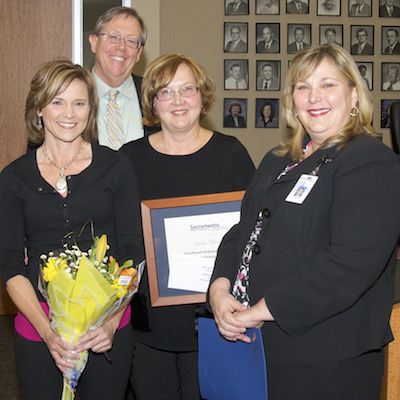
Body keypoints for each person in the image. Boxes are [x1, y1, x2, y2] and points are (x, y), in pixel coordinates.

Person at [208, 44, 400, 400]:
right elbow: (243, 231)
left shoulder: (370, 162)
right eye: (303, 86)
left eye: (328, 84)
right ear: (291, 100)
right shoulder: (279, 159)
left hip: (328, 358)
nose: (315, 97)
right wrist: (219, 290)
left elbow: (349, 266)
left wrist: (258, 311)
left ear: (354, 94)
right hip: (262, 348)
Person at [0, 58, 143, 399]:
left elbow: (133, 254)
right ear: (39, 109)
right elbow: (9, 265)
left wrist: (109, 321)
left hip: (107, 328)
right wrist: (49, 333)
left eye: (79, 103)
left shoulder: (117, 167)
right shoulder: (14, 177)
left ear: (90, 110)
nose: (69, 113)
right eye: (57, 102)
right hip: (39, 326)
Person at [120, 53, 255, 400]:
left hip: (213, 320)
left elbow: (253, 233)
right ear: (152, 102)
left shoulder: (231, 154)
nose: (178, 101)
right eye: (166, 92)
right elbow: (119, 237)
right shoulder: (128, 159)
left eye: (187, 90)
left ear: (202, 96)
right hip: (148, 327)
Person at [88, 6, 148, 150]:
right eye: (113, 37)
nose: (121, 47)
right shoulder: (69, 96)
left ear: (139, 52)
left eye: (131, 41)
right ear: (94, 42)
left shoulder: (155, 96)